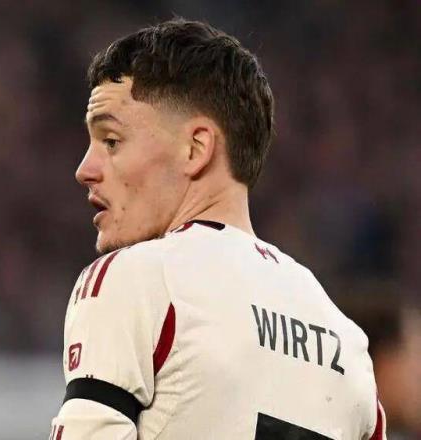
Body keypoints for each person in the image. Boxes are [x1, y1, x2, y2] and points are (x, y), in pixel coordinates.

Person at [50, 18, 386, 439]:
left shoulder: (138, 280)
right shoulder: (349, 345)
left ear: (196, 148)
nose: (85, 170)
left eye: (111, 141)